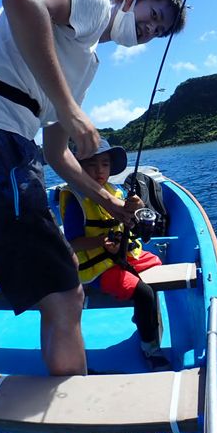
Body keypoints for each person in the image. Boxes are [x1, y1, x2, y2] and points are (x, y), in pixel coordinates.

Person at [0, 0, 186, 375]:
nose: (151, 29)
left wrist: (109, 200)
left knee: (56, 282)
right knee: (65, 294)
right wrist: (70, 109)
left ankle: (71, 381)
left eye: (159, 31)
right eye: (154, 15)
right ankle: (78, 409)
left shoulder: (85, 66)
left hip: (0, 142)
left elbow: (56, 154)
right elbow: (20, 0)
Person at [59, 139, 169, 371]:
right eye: (91, 165)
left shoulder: (114, 191)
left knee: (158, 263)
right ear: (77, 167)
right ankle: (150, 347)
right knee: (145, 293)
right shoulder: (75, 199)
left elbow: (134, 224)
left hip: (123, 256)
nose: (100, 171)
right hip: (99, 267)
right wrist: (101, 241)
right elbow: (73, 244)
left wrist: (136, 207)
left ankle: (142, 315)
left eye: (105, 164)